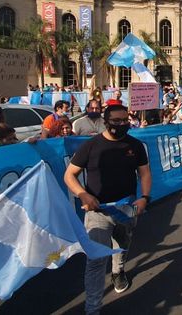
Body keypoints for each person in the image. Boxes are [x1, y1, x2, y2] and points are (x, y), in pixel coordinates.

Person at [64, 105, 151, 315]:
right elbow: (69, 175)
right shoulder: (90, 146)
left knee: (122, 246)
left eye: (125, 120)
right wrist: (83, 194)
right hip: (98, 213)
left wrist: (145, 198)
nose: (122, 124)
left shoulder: (136, 145)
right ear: (106, 121)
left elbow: (145, 174)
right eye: (117, 121)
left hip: (126, 210)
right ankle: (92, 308)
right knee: (95, 261)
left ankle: (118, 271)